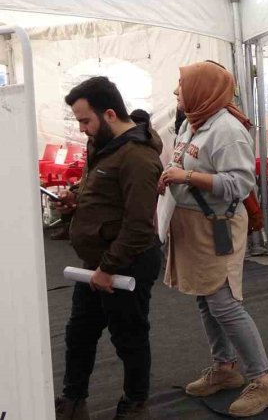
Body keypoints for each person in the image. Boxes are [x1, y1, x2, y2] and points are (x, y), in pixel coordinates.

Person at [161, 62, 268, 417]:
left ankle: (264, 382)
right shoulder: (194, 122)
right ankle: (225, 368)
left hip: (216, 223)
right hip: (193, 224)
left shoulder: (226, 129)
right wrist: (172, 178)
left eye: (181, 84)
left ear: (202, 89)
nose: (176, 92)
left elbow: (240, 185)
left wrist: (186, 176)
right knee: (206, 298)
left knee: (224, 301)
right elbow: (187, 164)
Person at [54, 77, 163, 419]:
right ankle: (73, 400)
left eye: (86, 121)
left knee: (129, 336)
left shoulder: (139, 158)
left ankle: (135, 405)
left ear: (111, 114)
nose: (82, 129)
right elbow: (98, 190)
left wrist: (108, 268)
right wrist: (76, 198)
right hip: (96, 262)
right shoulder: (101, 146)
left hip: (126, 263)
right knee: (79, 333)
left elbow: (138, 224)